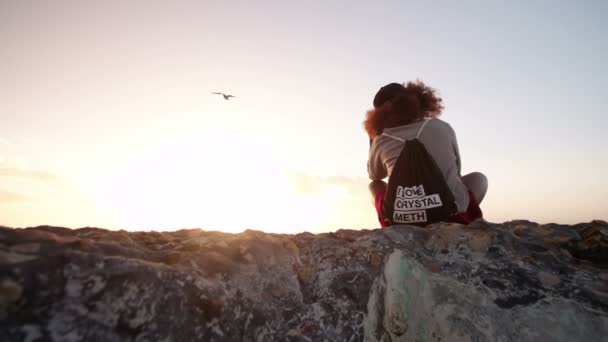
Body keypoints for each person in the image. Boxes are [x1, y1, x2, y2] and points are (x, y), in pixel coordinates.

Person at [365, 80, 488, 227]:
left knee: (375, 185)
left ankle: (403, 217)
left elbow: (375, 176)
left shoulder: (381, 139)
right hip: (449, 214)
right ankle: (460, 217)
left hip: (399, 219)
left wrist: (374, 137)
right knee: (478, 178)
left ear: (378, 114)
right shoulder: (442, 127)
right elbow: (457, 172)